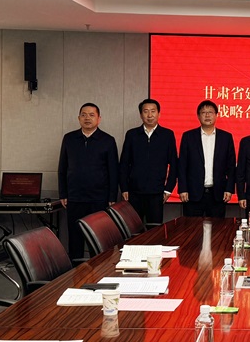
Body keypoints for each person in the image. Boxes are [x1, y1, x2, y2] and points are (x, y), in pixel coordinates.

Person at [58, 103, 119, 261]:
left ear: (99, 119)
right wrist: (63, 193)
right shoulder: (69, 139)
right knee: (75, 237)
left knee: (97, 238)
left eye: (92, 115)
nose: (87, 118)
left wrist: (112, 196)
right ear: (79, 118)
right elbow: (62, 168)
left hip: (99, 198)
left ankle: (98, 269)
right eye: (84, 115)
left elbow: (113, 171)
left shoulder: (108, 140)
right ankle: (75, 271)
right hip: (75, 197)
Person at [119, 98, 178, 225]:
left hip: (157, 193)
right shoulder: (132, 135)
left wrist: (168, 189)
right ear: (141, 115)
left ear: (159, 114)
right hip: (134, 192)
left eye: (153, 111)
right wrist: (124, 188)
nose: (149, 115)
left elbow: (174, 164)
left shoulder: (167, 135)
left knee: (155, 230)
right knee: (134, 229)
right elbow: (124, 163)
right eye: (146, 111)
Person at [178, 100, 236, 217]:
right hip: (193, 193)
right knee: (192, 227)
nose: (207, 115)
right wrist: (183, 189)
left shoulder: (226, 137)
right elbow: (182, 165)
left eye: (210, 112)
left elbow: (231, 166)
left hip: (218, 194)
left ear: (216, 115)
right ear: (198, 116)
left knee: (217, 227)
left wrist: (229, 189)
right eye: (204, 112)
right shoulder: (188, 136)